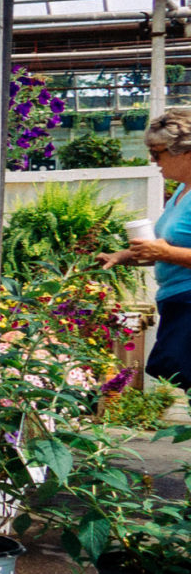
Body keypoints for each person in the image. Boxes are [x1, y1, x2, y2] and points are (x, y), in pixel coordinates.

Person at [99, 105, 191, 387]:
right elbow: (167, 247)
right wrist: (122, 256)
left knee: (179, 371)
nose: (154, 160)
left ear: (186, 150)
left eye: (157, 152)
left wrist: (164, 253)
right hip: (176, 301)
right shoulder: (181, 191)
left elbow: (167, 250)